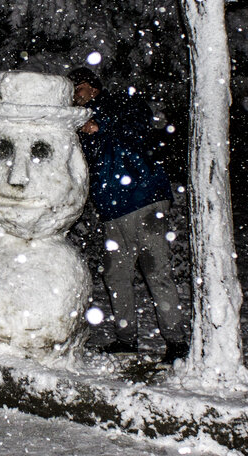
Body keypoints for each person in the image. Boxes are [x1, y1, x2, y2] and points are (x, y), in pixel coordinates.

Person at [68, 67, 190, 363]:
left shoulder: (119, 103)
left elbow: (139, 121)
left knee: (155, 271)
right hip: (113, 211)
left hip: (143, 198)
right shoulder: (81, 125)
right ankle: (126, 340)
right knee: (116, 275)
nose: (75, 95)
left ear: (94, 87)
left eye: (79, 88)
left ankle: (176, 343)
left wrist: (99, 122)